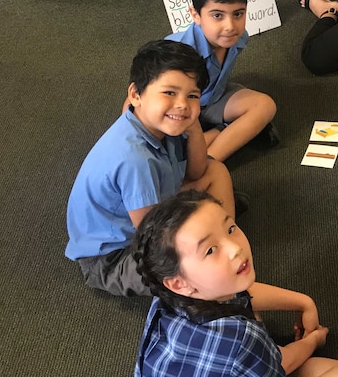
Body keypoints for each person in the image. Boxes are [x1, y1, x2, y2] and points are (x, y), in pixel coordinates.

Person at [65, 40, 238, 297]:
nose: (182, 105)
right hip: (113, 259)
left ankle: (223, 242)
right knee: (196, 272)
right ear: (135, 95)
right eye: (169, 93)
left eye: (192, 96)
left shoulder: (161, 124)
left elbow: (198, 172)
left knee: (216, 171)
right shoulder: (134, 160)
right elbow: (154, 237)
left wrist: (193, 127)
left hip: (154, 207)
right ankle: (223, 274)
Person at [132, 190, 338, 377]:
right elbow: (280, 361)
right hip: (248, 356)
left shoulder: (168, 297)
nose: (236, 248)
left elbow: (243, 292)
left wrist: (304, 302)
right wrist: (313, 340)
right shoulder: (241, 338)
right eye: (211, 250)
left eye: (230, 228)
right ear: (179, 283)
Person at [166, 0, 278, 162]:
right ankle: (218, 134)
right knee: (168, 148)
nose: (230, 26)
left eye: (238, 14)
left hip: (212, 99)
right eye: (217, 15)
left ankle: (209, 162)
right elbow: (137, 100)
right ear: (195, 15)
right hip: (181, 111)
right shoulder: (176, 52)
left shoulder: (240, 38)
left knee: (265, 106)